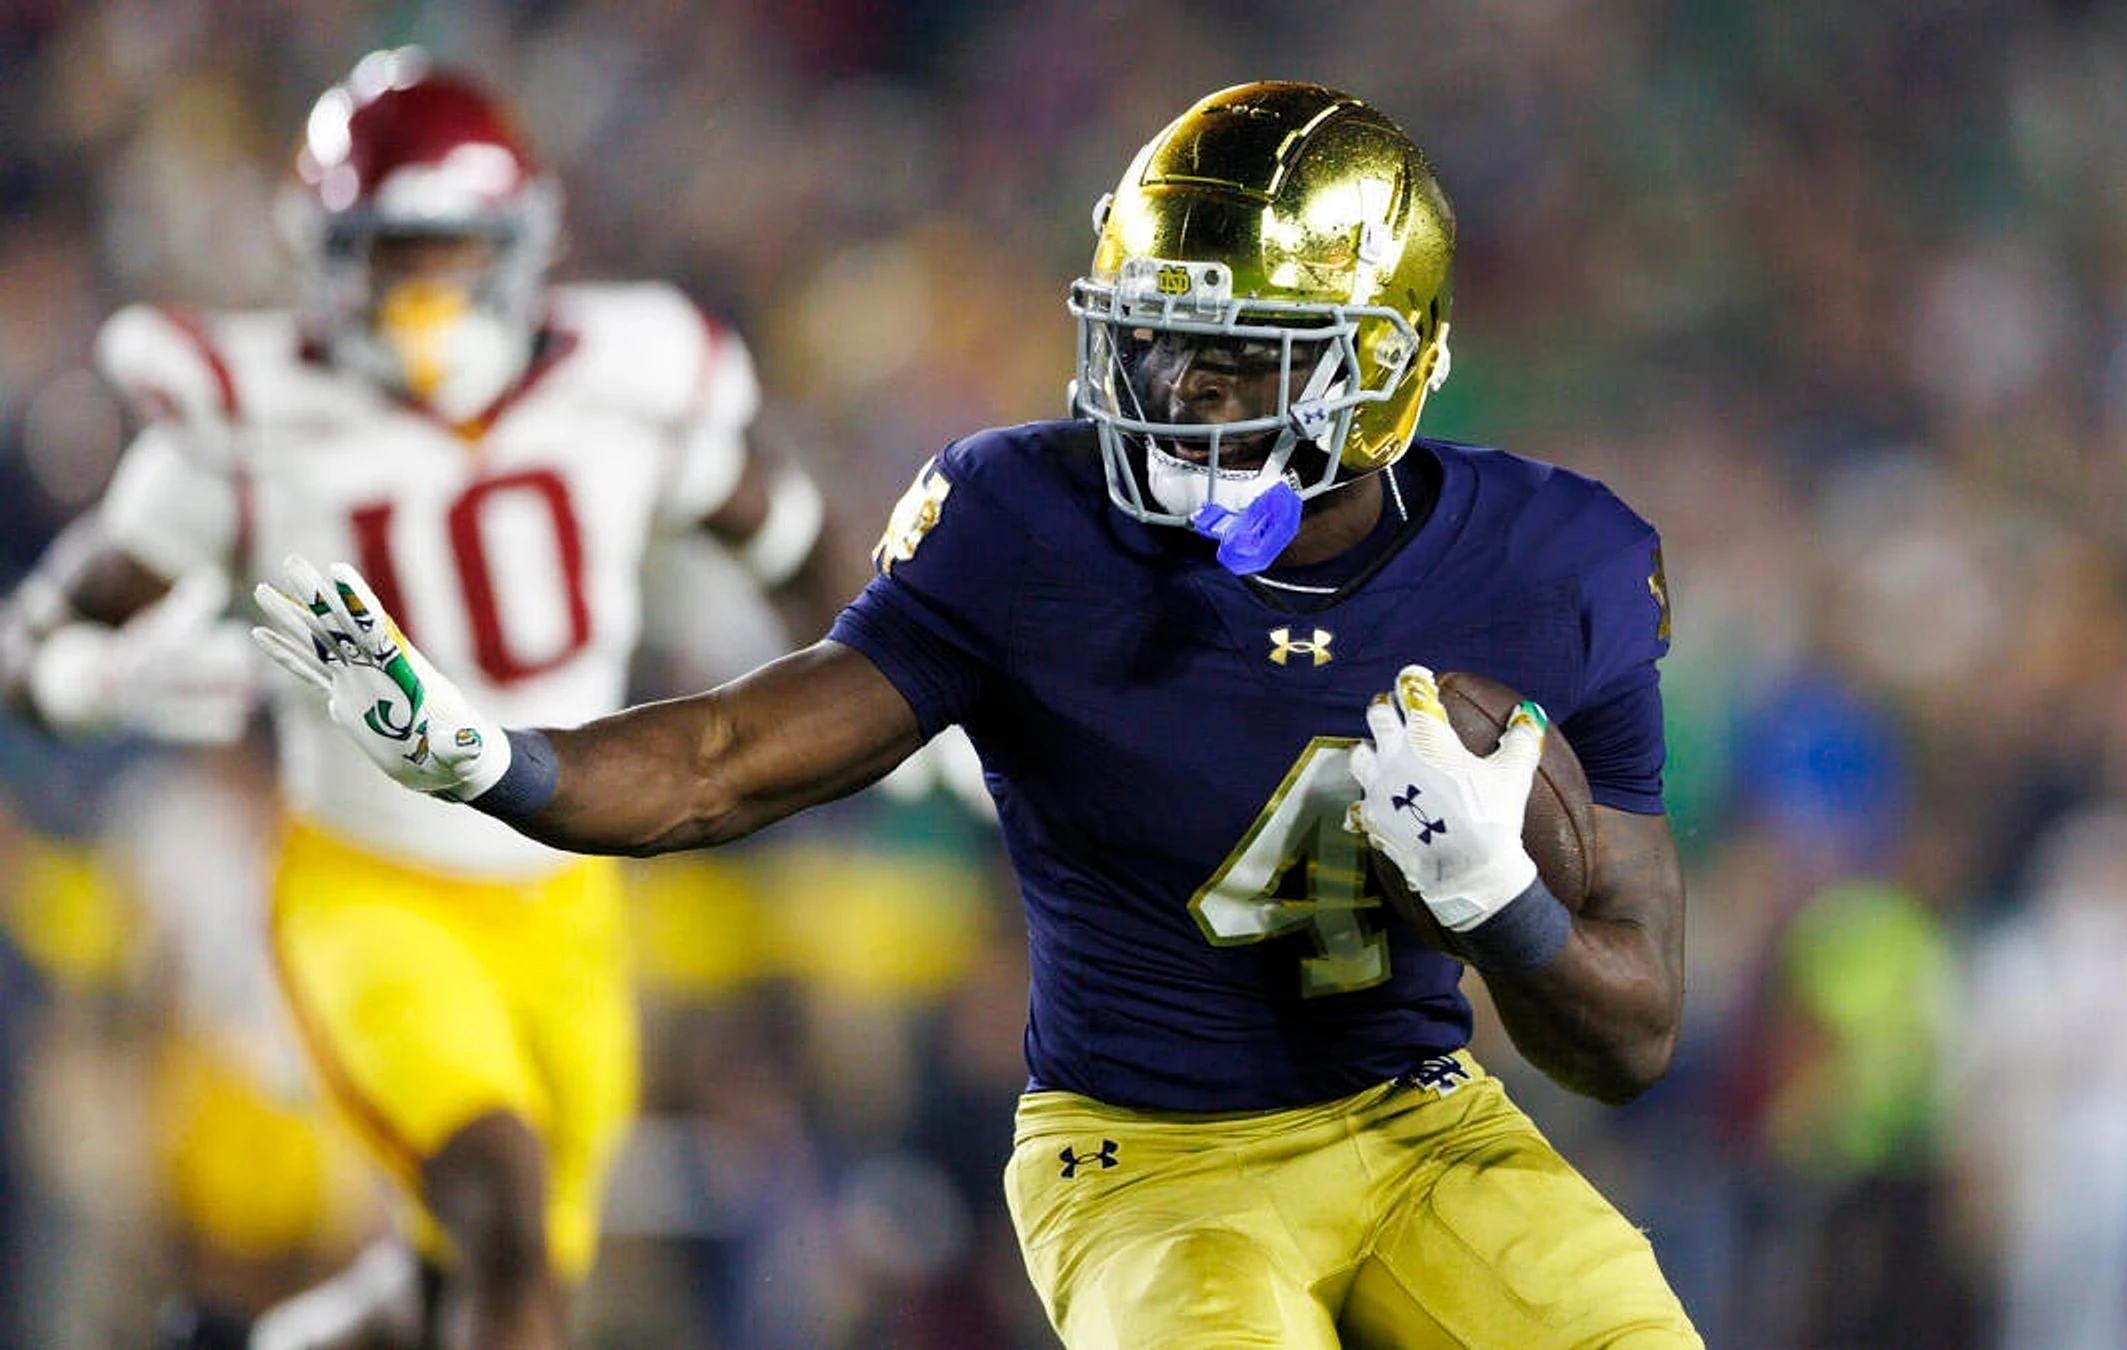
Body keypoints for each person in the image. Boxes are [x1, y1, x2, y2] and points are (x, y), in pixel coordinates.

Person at [254, 80, 1701, 1347]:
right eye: (1155, 338)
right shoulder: (1029, 522)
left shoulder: (1558, 568)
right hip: (1149, 1162)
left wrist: (1500, 903)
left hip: (1422, 1122)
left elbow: (1630, 1041)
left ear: (1378, 364)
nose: (1175, 386)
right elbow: (727, 761)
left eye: (1239, 353)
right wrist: (496, 763)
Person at [0, 48, 833, 1350]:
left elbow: (793, 543)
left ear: (519, 244)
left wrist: (894, 683)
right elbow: (32, 641)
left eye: (450, 249)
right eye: (388, 252)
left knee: (474, 1282)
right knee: (499, 1206)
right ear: (328, 254)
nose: (421, 288)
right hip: (372, 888)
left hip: (569, 899)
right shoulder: (255, 420)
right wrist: (84, 679)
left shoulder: (620, 383)